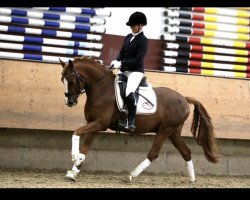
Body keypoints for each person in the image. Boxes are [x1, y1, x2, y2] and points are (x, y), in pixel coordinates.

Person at [111, 11, 148, 132]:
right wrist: (116, 61)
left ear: (141, 25)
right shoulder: (128, 37)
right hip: (124, 70)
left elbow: (138, 60)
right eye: (131, 26)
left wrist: (121, 63)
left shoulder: (143, 40)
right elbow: (122, 53)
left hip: (135, 72)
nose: (132, 27)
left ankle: (131, 121)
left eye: (134, 25)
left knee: (128, 92)